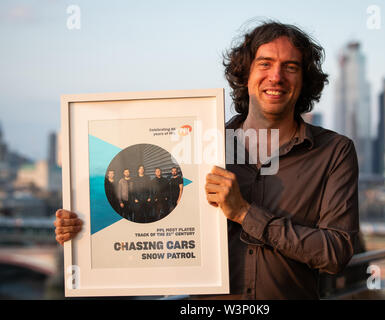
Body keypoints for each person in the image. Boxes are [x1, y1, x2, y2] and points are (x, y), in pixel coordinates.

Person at [54, 20, 359, 300]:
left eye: (290, 67)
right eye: (264, 64)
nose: (276, 77)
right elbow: (148, 223)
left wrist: (244, 213)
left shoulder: (334, 152)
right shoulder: (196, 147)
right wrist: (85, 228)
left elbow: (336, 254)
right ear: (246, 74)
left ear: (304, 80)